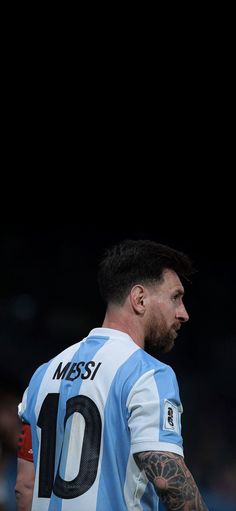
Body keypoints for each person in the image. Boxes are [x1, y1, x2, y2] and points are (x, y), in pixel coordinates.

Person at [15, 239, 209, 510]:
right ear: (139, 299)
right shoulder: (149, 374)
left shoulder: (42, 375)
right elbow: (169, 482)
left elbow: (25, 487)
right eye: (176, 297)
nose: (184, 313)